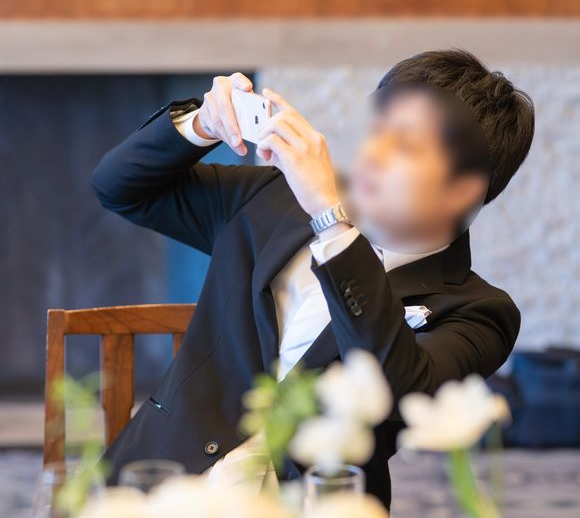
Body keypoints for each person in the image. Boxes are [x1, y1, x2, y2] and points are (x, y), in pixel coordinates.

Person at [91, 49, 534, 509]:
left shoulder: (479, 312)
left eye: (403, 146)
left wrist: (331, 220)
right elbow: (119, 188)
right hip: (160, 484)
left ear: (462, 190)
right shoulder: (272, 201)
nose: (371, 155)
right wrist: (203, 123)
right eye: (377, 131)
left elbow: (402, 390)